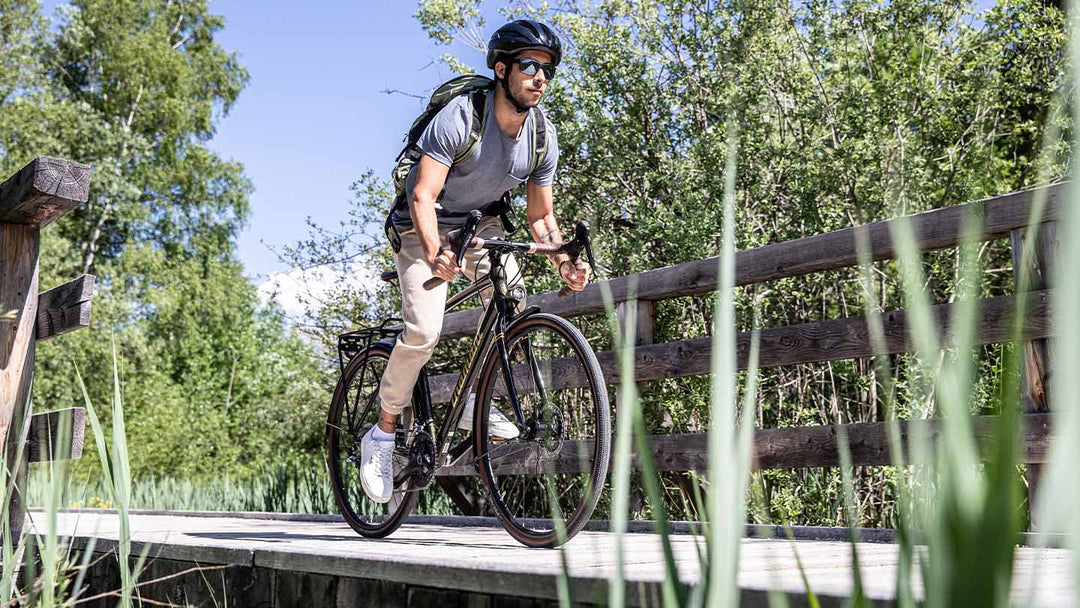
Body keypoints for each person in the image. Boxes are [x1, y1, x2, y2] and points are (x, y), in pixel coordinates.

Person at [359, 20, 589, 503]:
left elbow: (541, 219)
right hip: (422, 222)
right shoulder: (463, 117)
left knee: (512, 303)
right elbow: (422, 196)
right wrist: (436, 253)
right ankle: (381, 433)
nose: (539, 76)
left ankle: (473, 405)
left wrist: (563, 261)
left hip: (480, 227)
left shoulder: (542, 137)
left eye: (548, 69)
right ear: (501, 69)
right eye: (529, 65)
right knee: (423, 331)